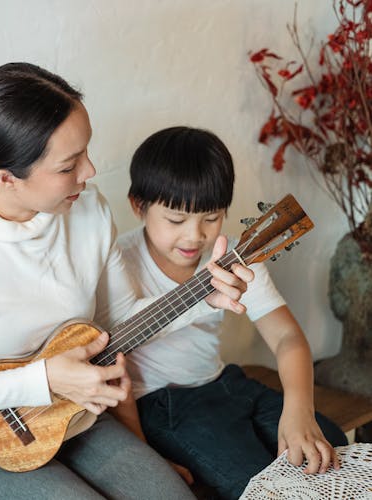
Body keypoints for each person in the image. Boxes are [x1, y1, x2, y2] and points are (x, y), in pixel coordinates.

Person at [0, 63, 253, 499]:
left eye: (86, 152)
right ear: (6, 178)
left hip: (76, 420)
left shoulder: (87, 210)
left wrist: (204, 298)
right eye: (69, 165)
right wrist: (43, 380)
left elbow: (120, 321)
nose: (91, 170)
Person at [118, 126, 348, 499]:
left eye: (211, 218)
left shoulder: (236, 256)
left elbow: (287, 337)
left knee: (329, 447)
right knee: (258, 483)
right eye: (176, 220)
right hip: (163, 404)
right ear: (138, 205)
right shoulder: (118, 262)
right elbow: (110, 370)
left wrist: (299, 409)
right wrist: (143, 455)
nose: (194, 236)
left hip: (225, 382)